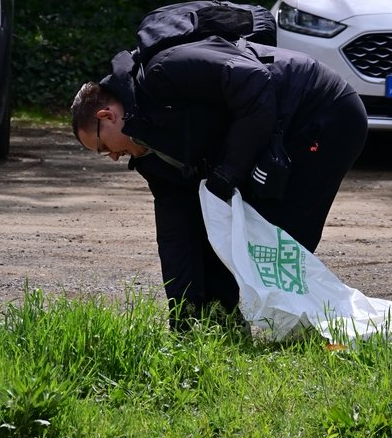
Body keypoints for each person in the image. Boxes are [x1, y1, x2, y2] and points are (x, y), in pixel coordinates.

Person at [71, 31, 368, 329]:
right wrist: (182, 316)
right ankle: (222, 324)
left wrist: (228, 173)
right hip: (282, 128)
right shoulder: (148, 149)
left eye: (103, 147)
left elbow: (256, 80)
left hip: (323, 110)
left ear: (107, 116)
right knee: (227, 225)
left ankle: (323, 327)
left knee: (279, 235)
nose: (111, 157)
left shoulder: (165, 71)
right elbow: (177, 231)